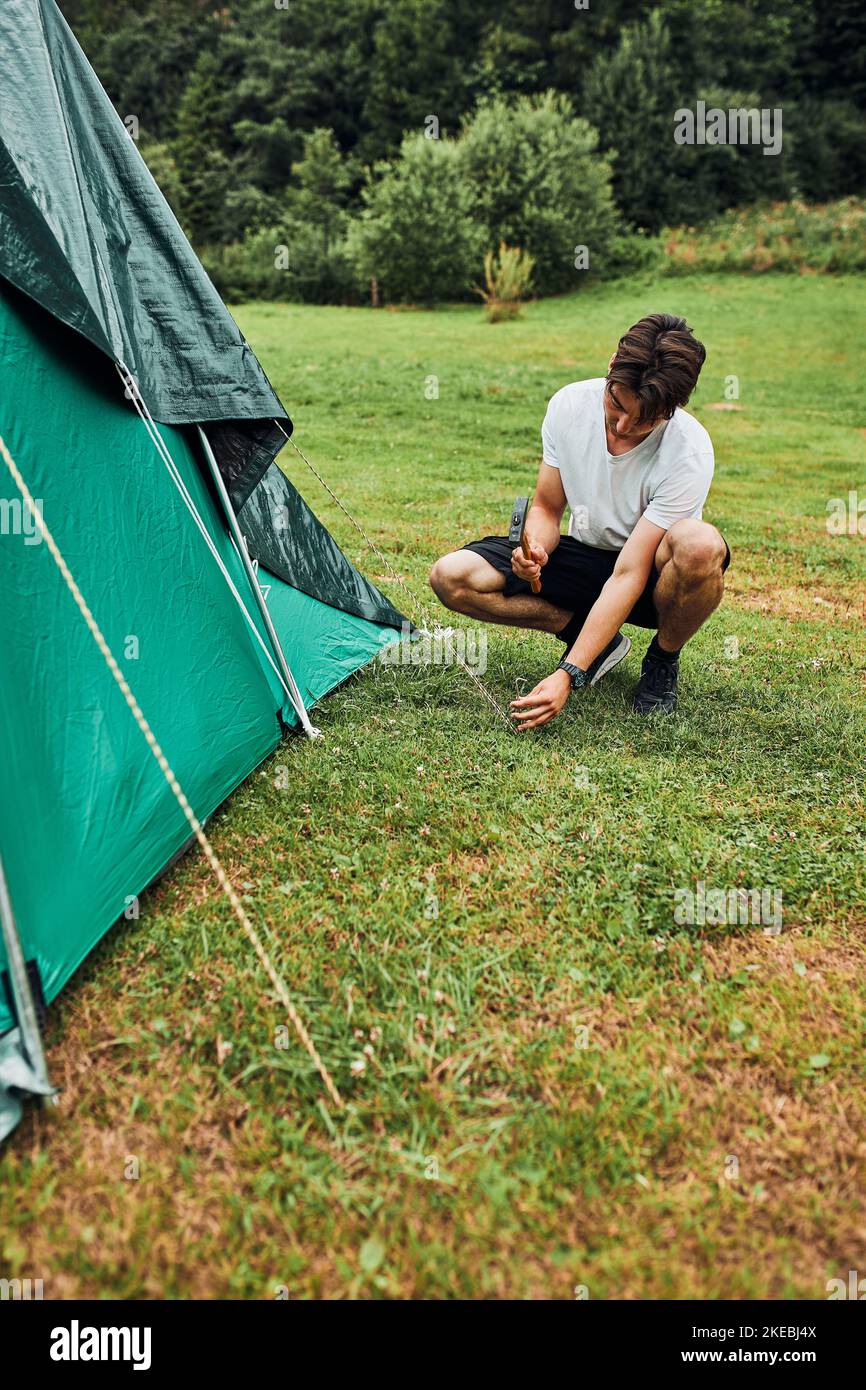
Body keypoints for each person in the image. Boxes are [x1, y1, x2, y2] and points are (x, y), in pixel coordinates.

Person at [429, 312, 730, 728]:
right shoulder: (568, 405)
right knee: (451, 576)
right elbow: (548, 508)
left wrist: (569, 673)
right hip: (585, 559)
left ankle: (662, 659)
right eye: (617, 404)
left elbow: (629, 573)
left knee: (700, 545)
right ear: (610, 367)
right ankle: (591, 640)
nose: (623, 426)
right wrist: (534, 548)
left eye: (645, 420)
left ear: (672, 410)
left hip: (651, 581)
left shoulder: (689, 448)